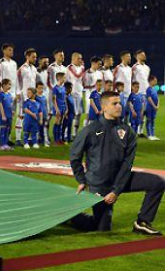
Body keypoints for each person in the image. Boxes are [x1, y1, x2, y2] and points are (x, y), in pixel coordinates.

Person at [70, 90, 164, 236]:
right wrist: (81, 180)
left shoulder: (128, 131)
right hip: (99, 183)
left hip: (120, 180)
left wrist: (116, 191)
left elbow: (127, 164)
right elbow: (75, 156)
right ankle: (71, 217)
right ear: (104, 107)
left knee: (157, 182)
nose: (119, 106)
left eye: (120, 103)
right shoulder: (90, 130)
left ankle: (142, 222)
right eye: (115, 103)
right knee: (102, 228)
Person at [0, 43, 17, 144]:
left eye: (12, 50)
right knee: (1, 116)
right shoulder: (0, 63)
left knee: (10, 116)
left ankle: (8, 138)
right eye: (9, 50)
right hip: (3, 93)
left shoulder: (14, 63)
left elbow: (15, 79)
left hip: (12, 93)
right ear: (4, 51)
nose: (11, 52)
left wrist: (16, 92)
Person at [15, 48, 38, 144]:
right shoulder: (22, 69)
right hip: (23, 96)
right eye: (33, 57)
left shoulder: (34, 69)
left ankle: (28, 138)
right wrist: (18, 93)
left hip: (32, 97)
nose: (35, 59)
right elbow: (17, 82)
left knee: (30, 118)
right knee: (21, 116)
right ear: (27, 57)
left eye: (36, 57)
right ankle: (18, 139)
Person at [65, 52, 86, 139]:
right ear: (73, 59)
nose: (80, 60)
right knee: (71, 115)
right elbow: (68, 80)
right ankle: (67, 134)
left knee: (79, 114)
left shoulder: (82, 68)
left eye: (81, 58)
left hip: (80, 94)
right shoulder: (69, 68)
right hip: (72, 94)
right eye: (79, 58)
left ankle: (75, 134)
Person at [132, 50, 150, 135]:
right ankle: (137, 130)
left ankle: (141, 130)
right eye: (142, 55)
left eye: (144, 54)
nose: (144, 56)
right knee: (139, 112)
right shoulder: (135, 67)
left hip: (146, 93)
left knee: (145, 112)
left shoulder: (147, 68)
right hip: (138, 93)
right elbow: (131, 79)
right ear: (137, 56)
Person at [82, 56, 102, 128]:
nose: (100, 66)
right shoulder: (87, 73)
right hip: (89, 96)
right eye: (99, 64)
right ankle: (84, 130)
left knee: (98, 114)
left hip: (98, 96)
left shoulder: (100, 73)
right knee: (88, 114)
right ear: (93, 63)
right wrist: (94, 86)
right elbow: (84, 85)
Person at [0, 79, 14, 150]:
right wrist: (3, 115)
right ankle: (1, 144)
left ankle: (6, 144)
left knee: (8, 130)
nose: (10, 86)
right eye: (9, 84)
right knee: (3, 129)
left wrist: (12, 112)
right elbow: (0, 105)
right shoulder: (1, 94)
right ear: (4, 85)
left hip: (9, 115)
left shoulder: (9, 95)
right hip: (4, 115)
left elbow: (10, 105)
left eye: (10, 84)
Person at [52, 72, 67, 145]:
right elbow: (54, 99)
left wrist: (66, 107)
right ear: (59, 78)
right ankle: (55, 140)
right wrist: (56, 109)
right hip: (58, 107)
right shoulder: (55, 88)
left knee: (60, 123)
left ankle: (59, 139)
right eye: (64, 77)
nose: (65, 79)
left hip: (63, 107)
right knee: (57, 122)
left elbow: (64, 98)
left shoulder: (63, 87)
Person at [35, 81, 50, 147]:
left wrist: (47, 114)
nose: (41, 90)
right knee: (36, 129)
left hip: (44, 116)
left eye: (42, 88)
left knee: (43, 129)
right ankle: (35, 142)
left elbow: (46, 106)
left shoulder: (44, 97)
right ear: (36, 89)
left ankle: (45, 142)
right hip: (37, 116)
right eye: (39, 88)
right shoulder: (35, 97)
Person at [145, 75, 160, 141]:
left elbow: (157, 98)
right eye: (154, 81)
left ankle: (153, 135)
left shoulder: (154, 89)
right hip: (150, 108)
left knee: (153, 121)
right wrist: (154, 106)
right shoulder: (148, 89)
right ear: (150, 81)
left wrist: (158, 105)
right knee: (149, 120)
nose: (156, 82)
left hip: (154, 108)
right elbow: (149, 98)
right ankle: (149, 135)